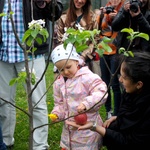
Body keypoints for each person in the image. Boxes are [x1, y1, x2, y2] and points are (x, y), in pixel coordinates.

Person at [0, 0, 63, 150]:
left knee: (37, 102)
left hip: (31, 55)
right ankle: (6, 140)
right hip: (3, 54)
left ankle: (40, 145)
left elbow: (56, 12)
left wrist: (48, 2)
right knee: (3, 101)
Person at [66, 51, 150, 150]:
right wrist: (118, 118)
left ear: (139, 84)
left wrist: (95, 127)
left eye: (124, 77)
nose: (120, 80)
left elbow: (130, 142)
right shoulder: (132, 93)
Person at [50, 43, 108, 150]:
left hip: (88, 128)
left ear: (76, 61)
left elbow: (101, 91)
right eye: (61, 70)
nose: (65, 72)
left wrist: (87, 103)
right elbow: (60, 103)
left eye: (68, 67)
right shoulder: (59, 83)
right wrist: (57, 113)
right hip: (69, 129)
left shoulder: (87, 77)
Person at [53, 0, 101, 77]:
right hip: (68, 61)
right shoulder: (63, 18)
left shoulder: (91, 17)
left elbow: (95, 39)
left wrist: (84, 55)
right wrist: (71, 57)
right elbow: (61, 40)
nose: (79, 1)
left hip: (87, 60)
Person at [97, 0, 125, 119]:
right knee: (105, 82)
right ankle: (108, 110)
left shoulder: (124, 8)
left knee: (115, 83)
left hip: (116, 51)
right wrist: (103, 15)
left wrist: (118, 16)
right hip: (104, 50)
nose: (114, 1)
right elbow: (99, 29)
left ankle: (116, 113)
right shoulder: (105, 8)